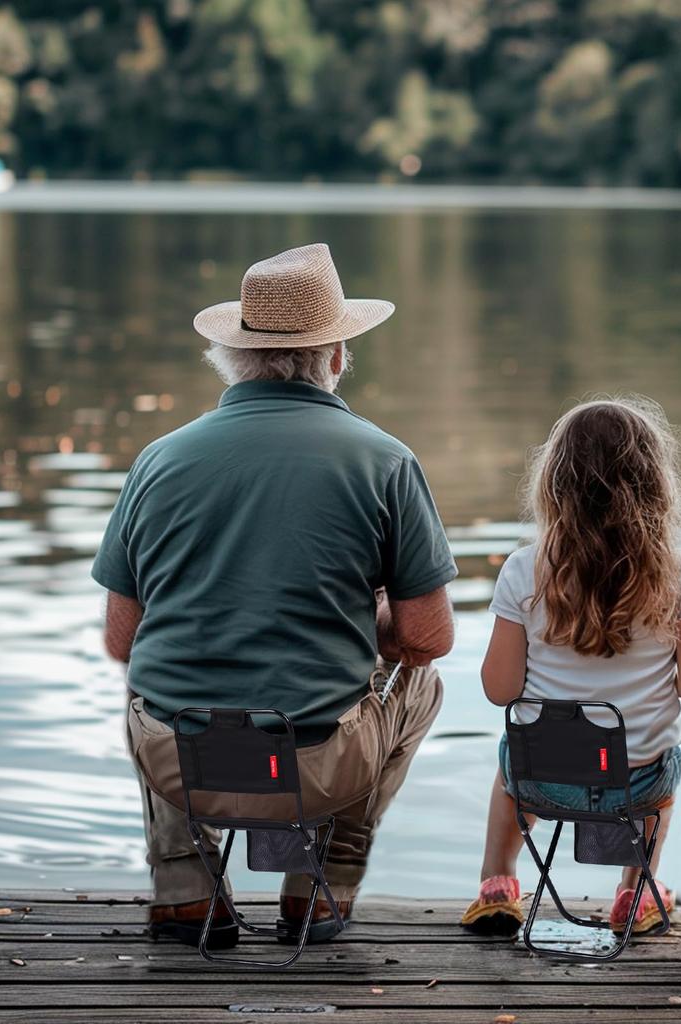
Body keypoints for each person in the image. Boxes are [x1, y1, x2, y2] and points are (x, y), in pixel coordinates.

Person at [94, 243, 457, 949]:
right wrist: (362, 620)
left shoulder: (158, 459)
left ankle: (183, 891)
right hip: (314, 768)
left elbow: (121, 640)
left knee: (148, 679)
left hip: (183, 766)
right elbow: (428, 637)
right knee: (418, 682)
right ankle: (317, 891)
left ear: (231, 356)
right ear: (338, 356)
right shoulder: (385, 459)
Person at [460, 397, 681, 936]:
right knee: (670, 760)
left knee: (511, 765)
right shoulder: (679, 569)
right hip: (640, 782)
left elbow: (498, 688)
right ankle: (635, 889)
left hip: (543, 782)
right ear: (655, 485)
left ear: (555, 485)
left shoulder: (521, 569)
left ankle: (497, 881)